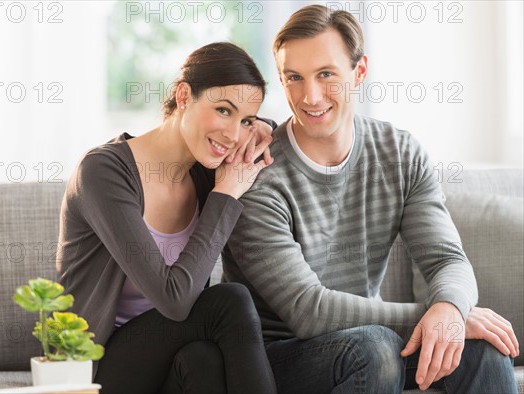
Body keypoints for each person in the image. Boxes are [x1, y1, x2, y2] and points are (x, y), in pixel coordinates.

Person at [222, 5, 519, 393]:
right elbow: (309, 311)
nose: (310, 96)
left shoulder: (399, 154)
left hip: (370, 343)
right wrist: (435, 315)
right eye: (294, 78)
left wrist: (449, 310)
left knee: (481, 345)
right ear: (281, 78)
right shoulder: (257, 175)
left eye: (326, 74)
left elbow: (447, 259)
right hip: (276, 360)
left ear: (359, 72)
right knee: (375, 349)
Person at [56, 42, 277, 393]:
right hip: (95, 370)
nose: (233, 135)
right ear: (184, 95)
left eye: (245, 120)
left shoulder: (205, 171)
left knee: (204, 359)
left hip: (167, 357)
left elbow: (273, 135)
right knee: (230, 300)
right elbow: (175, 301)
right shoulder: (103, 172)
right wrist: (225, 195)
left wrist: (264, 127)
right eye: (223, 110)